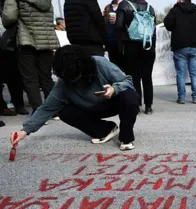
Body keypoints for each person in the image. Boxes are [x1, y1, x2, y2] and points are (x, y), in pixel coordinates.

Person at [9, 45, 140, 151]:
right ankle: (104, 130)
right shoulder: (63, 83)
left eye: (77, 76)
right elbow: (46, 108)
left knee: (130, 96)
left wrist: (114, 89)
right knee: (64, 111)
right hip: (89, 109)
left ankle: (126, 138)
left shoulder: (100, 63)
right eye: (70, 78)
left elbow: (127, 81)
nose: (74, 80)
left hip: (112, 102)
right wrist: (24, 131)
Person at [2, 0, 59, 115]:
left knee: (30, 79)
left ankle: (39, 112)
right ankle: (54, 111)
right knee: (46, 78)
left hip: (26, 40)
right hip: (46, 40)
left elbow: (9, 17)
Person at [164, 0, 196, 104]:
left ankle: (181, 97)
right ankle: (195, 97)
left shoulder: (175, 10)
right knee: (194, 73)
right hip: (195, 46)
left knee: (180, 73)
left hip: (180, 46)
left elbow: (167, 24)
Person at [116, 0, 156, 115]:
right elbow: (153, 30)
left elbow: (118, 26)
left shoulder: (124, 5)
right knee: (147, 77)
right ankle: (148, 106)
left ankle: (137, 104)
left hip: (131, 45)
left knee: (134, 76)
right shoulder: (150, 7)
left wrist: (120, 46)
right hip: (148, 46)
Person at [0, 1, 28, 115]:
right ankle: (2, 107)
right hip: (7, 40)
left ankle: (18, 104)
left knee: (15, 76)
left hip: (10, 42)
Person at [103, 0, 124, 70]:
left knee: (122, 65)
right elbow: (103, 24)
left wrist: (118, 20)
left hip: (121, 42)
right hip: (110, 40)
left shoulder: (123, 6)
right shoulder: (107, 8)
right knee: (113, 65)